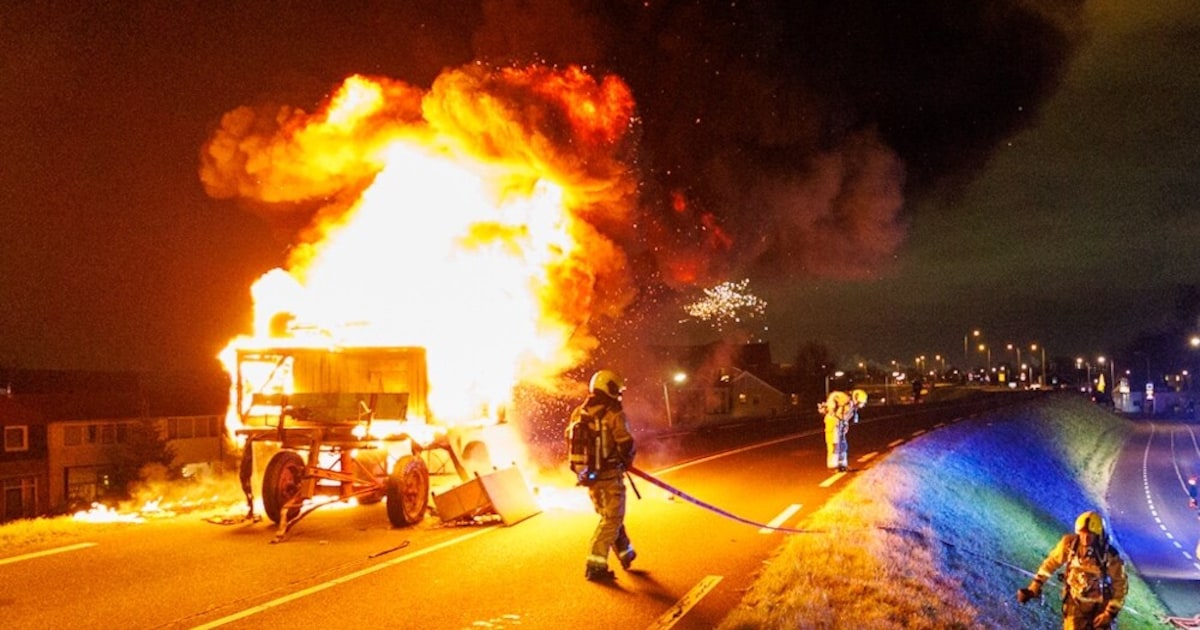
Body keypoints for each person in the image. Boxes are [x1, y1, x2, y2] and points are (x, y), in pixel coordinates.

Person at [569, 368, 637, 582]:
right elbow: (626, 443)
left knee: (609, 517)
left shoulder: (580, 412)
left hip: (590, 479)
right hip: (609, 477)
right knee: (612, 519)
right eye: (617, 388)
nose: (619, 393)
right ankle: (595, 566)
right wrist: (627, 459)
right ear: (609, 388)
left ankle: (626, 552)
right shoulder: (613, 413)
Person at [1017, 510, 1128, 629]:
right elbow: (1051, 563)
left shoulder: (1110, 556)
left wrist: (1109, 614)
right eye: (1082, 534)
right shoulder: (1069, 544)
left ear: (1099, 535)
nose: (1085, 539)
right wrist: (1034, 587)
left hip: (1100, 607)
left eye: (1090, 535)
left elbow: (1120, 585)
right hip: (1074, 605)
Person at [820, 389, 867, 472]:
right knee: (834, 444)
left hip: (840, 424)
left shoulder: (853, 407)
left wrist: (845, 424)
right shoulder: (845, 399)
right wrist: (831, 408)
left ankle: (842, 465)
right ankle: (832, 466)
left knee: (843, 445)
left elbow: (845, 417)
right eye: (861, 402)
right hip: (833, 422)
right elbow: (834, 395)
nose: (862, 405)